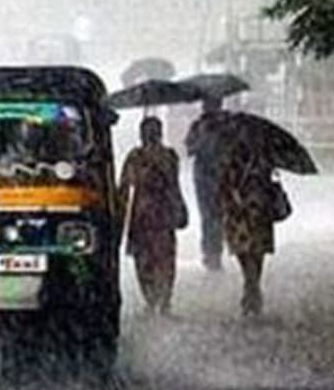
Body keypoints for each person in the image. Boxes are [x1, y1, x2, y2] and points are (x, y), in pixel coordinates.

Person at [118, 116, 186, 316]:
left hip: (142, 214)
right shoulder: (170, 156)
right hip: (163, 213)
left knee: (144, 259)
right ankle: (164, 300)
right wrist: (179, 206)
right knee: (165, 258)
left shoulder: (135, 157)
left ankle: (151, 299)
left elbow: (124, 187)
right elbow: (175, 185)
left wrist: (118, 215)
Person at [217, 126, 277, 317]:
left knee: (246, 253)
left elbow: (222, 187)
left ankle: (251, 289)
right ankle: (253, 288)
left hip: (240, 215)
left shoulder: (230, 160)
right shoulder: (263, 160)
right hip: (257, 214)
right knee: (255, 254)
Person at [184, 97, 226, 271]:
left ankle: (214, 251)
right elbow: (189, 149)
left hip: (218, 175)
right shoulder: (198, 125)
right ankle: (211, 252)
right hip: (205, 176)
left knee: (216, 215)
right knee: (210, 216)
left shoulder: (225, 126)